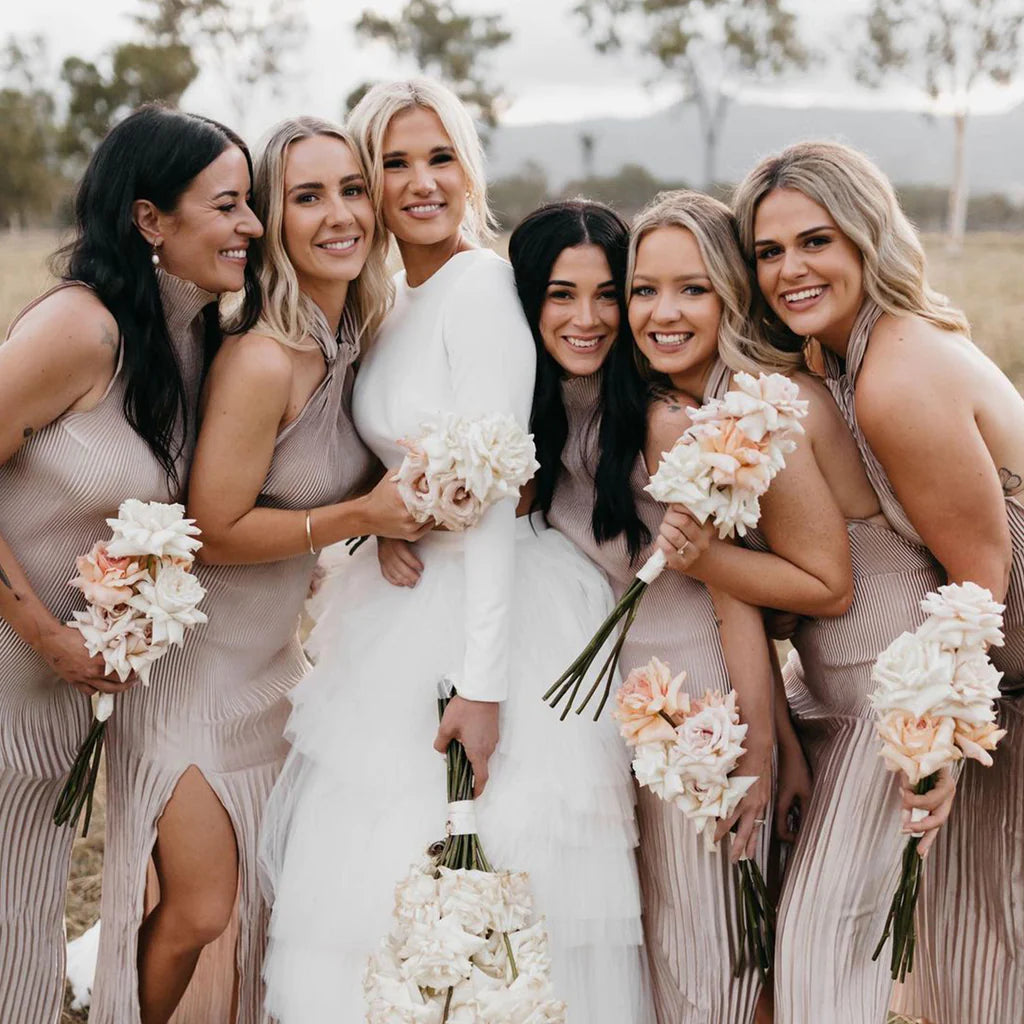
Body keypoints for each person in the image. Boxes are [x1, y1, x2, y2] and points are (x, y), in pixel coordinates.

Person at [259, 82, 651, 1022]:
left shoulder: (478, 285)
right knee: (376, 885)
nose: (419, 182)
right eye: (393, 164)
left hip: (490, 617)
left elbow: (493, 500)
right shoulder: (397, 298)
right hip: (401, 608)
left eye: (439, 157)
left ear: (469, 163)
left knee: (484, 882)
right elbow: (417, 468)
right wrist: (385, 524)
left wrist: (482, 687)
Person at [89, 116, 426, 1024]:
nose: (338, 214)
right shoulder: (262, 357)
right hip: (196, 680)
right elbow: (216, 525)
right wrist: (360, 517)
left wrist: (384, 528)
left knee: (267, 911)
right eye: (306, 197)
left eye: (352, 190)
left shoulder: (359, 344)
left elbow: (339, 487)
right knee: (198, 910)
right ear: (273, 223)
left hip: (279, 676)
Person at [733, 140, 1024, 1024]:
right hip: (999, 671)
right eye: (768, 251)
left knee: (995, 934)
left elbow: (982, 572)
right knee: (976, 938)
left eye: (815, 241)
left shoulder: (896, 374)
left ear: (867, 238)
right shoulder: (842, 362)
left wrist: (930, 737)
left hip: (1004, 660)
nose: (790, 270)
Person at [0, 104, 261, 1024]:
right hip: (11, 664)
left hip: (64, 692)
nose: (252, 227)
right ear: (150, 220)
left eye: (252, 204)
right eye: (228, 206)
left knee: (23, 917)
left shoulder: (193, 340)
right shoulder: (81, 329)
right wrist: (43, 635)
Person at [542, 190, 778, 1023]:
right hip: (640, 708)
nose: (654, 312)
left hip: (697, 708)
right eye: (641, 289)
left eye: (689, 289)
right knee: (678, 947)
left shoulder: (675, 423)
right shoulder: (599, 410)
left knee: (708, 956)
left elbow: (734, 602)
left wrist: (760, 747)